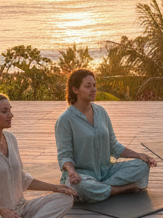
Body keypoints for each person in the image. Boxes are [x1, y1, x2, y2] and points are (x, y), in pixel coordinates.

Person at [55, 69, 157, 201]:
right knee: (80, 186)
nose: (93, 89)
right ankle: (118, 189)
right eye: (88, 86)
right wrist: (72, 172)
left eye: (94, 85)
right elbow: (64, 155)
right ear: (75, 90)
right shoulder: (65, 120)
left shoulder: (101, 112)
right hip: (82, 175)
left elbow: (113, 145)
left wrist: (139, 155)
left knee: (142, 166)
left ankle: (98, 189)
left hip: (107, 172)